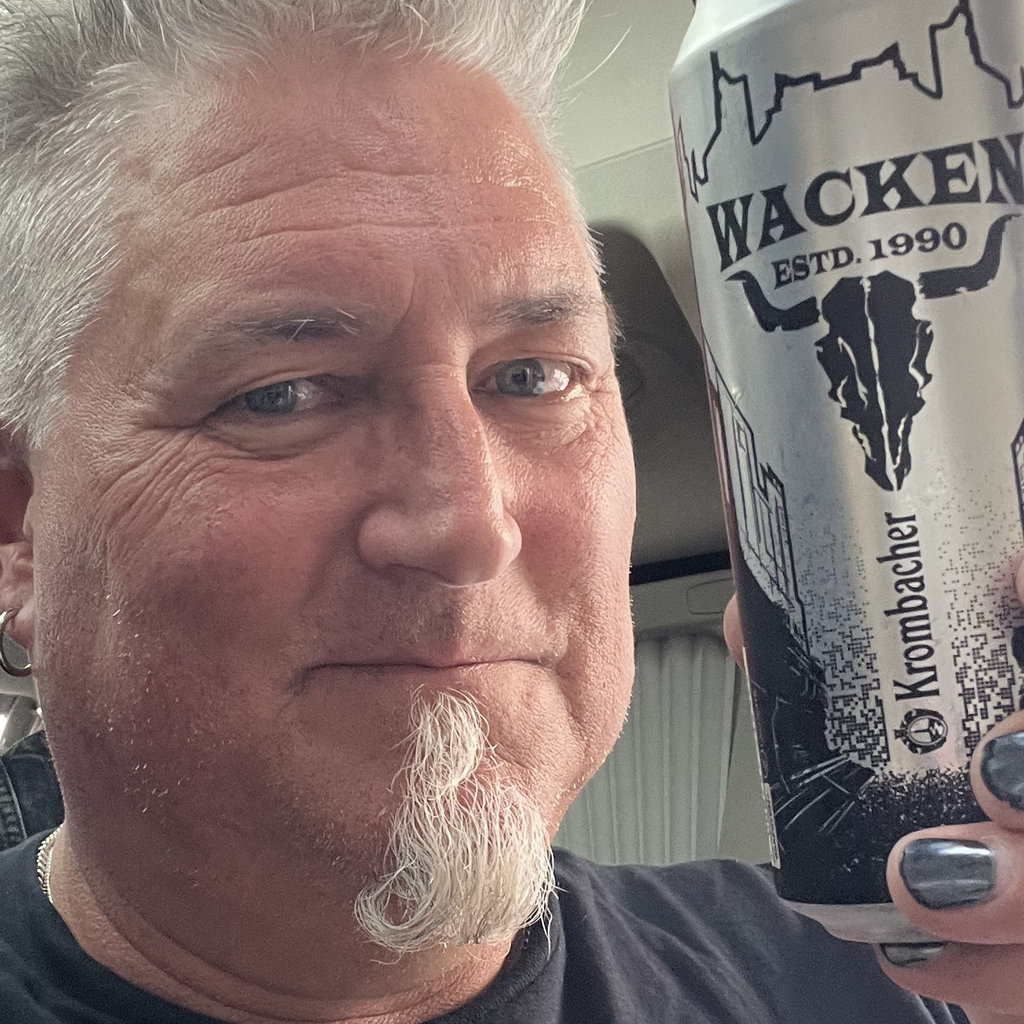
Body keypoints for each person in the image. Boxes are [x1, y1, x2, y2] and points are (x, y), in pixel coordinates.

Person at [0, 2, 1018, 1022]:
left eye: (533, 376)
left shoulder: (868, 980)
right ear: (19, 530)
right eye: (281, 396)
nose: (473, 527)